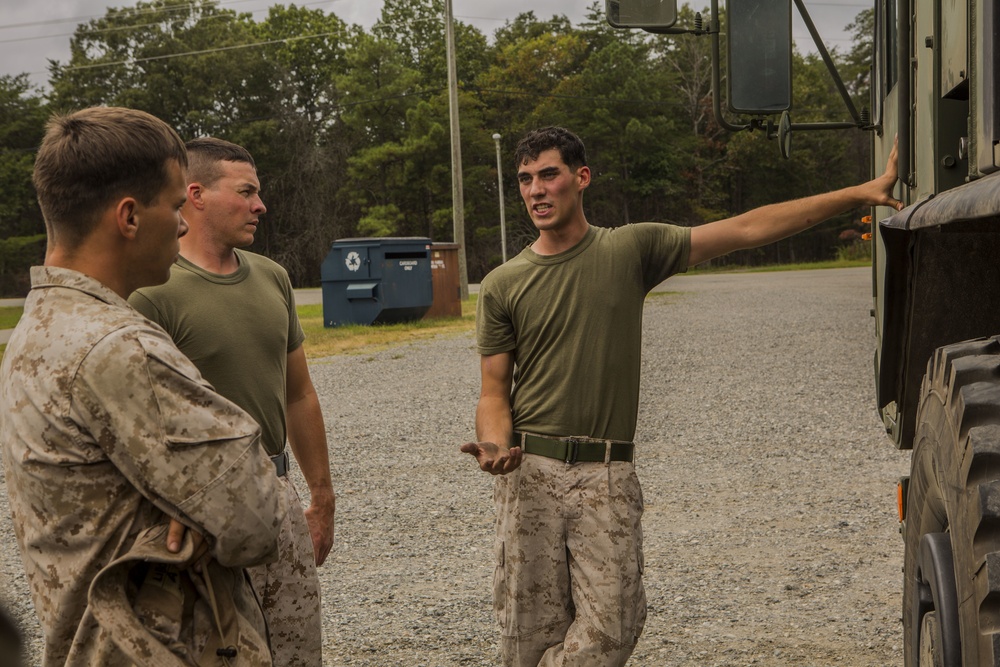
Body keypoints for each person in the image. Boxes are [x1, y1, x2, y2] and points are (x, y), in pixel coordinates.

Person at [461, 126, 903, 666]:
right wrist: (495, 446)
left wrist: (859, 194)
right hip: (530, 472)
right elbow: (493, 394)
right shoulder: (504, 283)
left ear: (581, 178)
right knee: (526, 638)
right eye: (526, 179)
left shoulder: (630, 248)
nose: (536, 190)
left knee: (612, 630)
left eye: (548, 175)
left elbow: (745, 228)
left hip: (606, 474)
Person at [0, 106, 288, 665]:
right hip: (160, 648)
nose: (183, 225)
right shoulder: (121, 347)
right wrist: (201, 516)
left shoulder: (40, 323)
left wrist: (185, 511)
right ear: (129, 217)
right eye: (176, 206)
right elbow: (256, 516)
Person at [130, 137, 335, 666]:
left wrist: (321, 496)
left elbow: (299, 394)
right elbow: (144, 422)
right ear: (195, 194)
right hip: (205, 510)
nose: (260, 205)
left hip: (278, 493)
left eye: (259, 193)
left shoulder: (273, 278)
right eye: (246, 192)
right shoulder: (155, 292)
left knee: (297, 651)